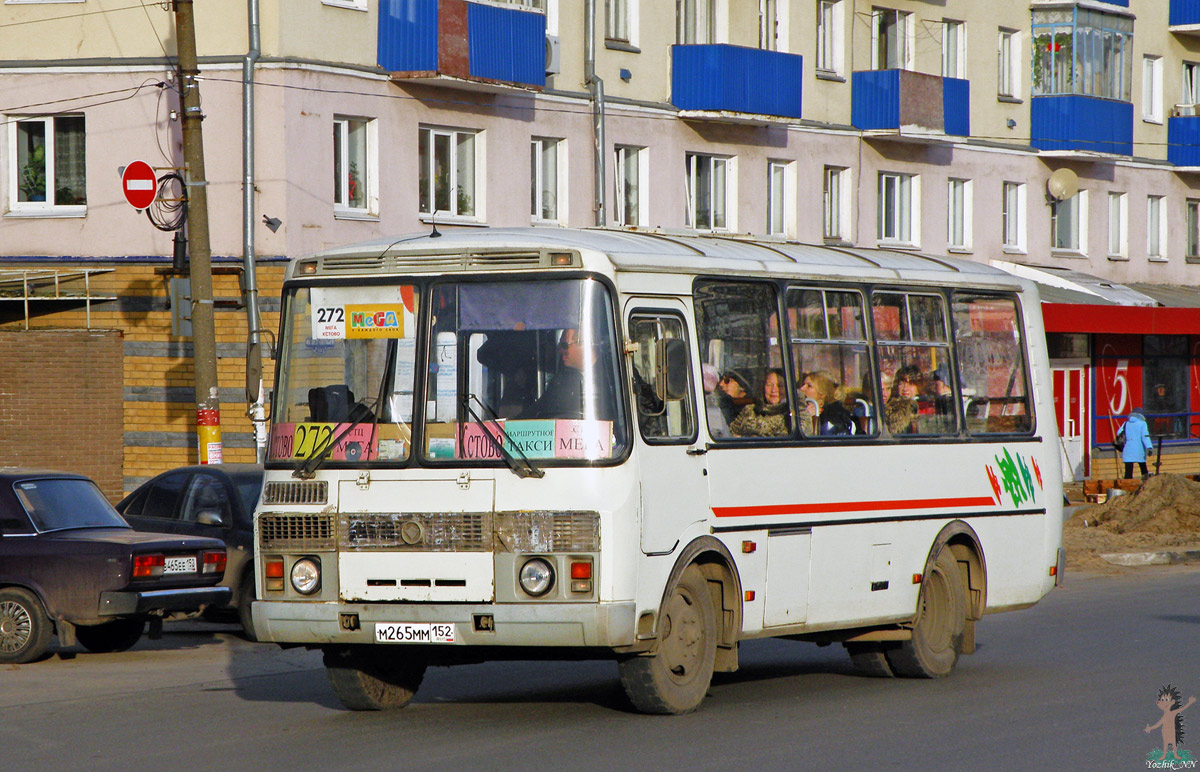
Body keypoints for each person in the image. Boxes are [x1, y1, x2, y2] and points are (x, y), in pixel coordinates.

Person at [527, 328, 615, 420]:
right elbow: (538, 410)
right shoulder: (561, 382)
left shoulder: (612, 374)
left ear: (583, 344)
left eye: (564, 346)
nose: (560, 351)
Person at [729, 368, 789, 437]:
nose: (774, 390)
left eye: (780, 386)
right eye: (769, 385)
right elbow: (732, 432)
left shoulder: (790, 414)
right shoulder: (750, 409)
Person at [797, 370, 855, 436]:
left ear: (822, 394)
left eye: (809, 386)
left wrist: (808, 418)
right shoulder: (796, 410)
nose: (802, 388)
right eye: (803, 384)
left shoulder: (833, 418)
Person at [885, 364, 932, 435]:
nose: (905, 388)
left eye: (911, 384)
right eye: (901, 383)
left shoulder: (926, 407)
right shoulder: (890, 408)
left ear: (919, 386)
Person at [1121, 409, 1153, 479]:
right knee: (1143, 469)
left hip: (1128, 448)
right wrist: (1149, 447)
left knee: (1128, 472)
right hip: (1139, 448)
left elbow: (1119, 433)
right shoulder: (1142, 423)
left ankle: (1127, 486)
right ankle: (1146, 485)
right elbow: (1145, 436)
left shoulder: (1126, 423)